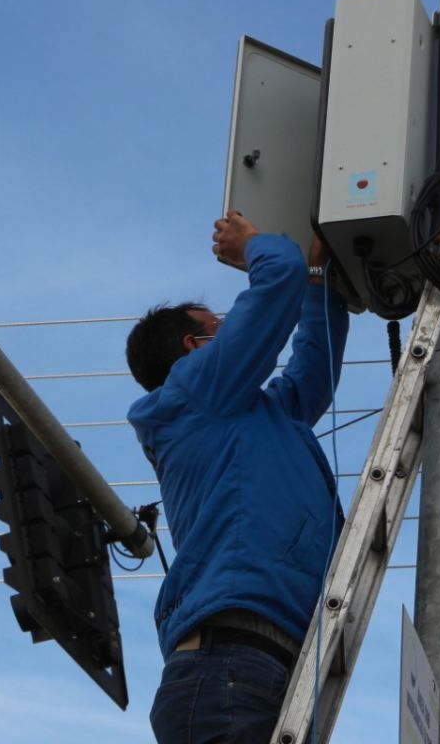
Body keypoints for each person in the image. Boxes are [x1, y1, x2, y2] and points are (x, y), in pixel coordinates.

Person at [125, 210, 350, 742]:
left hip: (258, 669)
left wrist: (319, 279)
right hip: (231, 666)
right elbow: (277, 282)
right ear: (192, 349)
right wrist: (251, 247)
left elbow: (311, 376)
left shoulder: (251, 415)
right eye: (219, 326)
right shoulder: (195, 390)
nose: (233, 331)